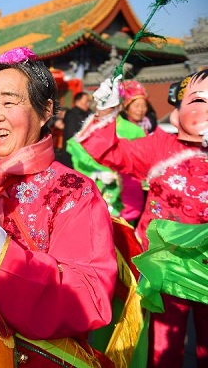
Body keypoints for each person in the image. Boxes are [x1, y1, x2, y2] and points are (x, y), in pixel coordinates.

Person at [0, 47, 117, 367]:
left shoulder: (73, 192)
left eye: (8, 101)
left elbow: (89, 296)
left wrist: (4, 258)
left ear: (46, 110)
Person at [75, 70, 208, 368]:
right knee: (163, 347)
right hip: (167, 268)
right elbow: (105, 149)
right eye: (199, 100)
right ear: (178, 109)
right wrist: (107, 111)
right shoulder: (161, 147)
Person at [58, 92, 91, 168]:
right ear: (78, 101)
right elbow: (71, 135)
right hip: (72, 154)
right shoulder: (72, 114)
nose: (88, 103)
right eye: (86, 101)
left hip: (82, 153)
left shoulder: (88, 113)